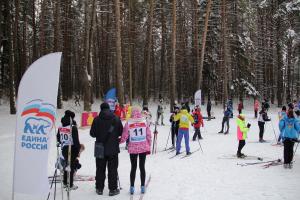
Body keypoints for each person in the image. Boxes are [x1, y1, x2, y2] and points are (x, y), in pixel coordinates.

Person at [90, 102, 123, 196]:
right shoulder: (116, 118)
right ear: (109, 108)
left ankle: (99, 188)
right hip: (113, 147)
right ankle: (112, 189)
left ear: (101, 109)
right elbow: (121, 131)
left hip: (100, 147)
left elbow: (92, 133)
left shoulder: (96, 119)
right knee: (113, 169)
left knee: (100, 168)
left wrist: (99, 133)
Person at [120, 106, 152, 195]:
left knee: (133, 167)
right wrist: (148, 144)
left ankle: (132, 187)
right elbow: (149, 135)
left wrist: (119, 141)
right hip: (143, 147)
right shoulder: (144, 121)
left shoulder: (129, 122)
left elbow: (125, 135)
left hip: (133, 148)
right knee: (142, 167)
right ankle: (142, 187)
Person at [57, 110, 81, 190]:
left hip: (64, 148)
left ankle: (64, 182)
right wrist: (78, 150)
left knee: (66, 165)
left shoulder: (61, 126)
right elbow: (76, 140)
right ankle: (70, 184)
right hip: (72, 148)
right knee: (71, 166)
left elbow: (58, 137)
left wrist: (63, 142)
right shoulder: (72, 127)